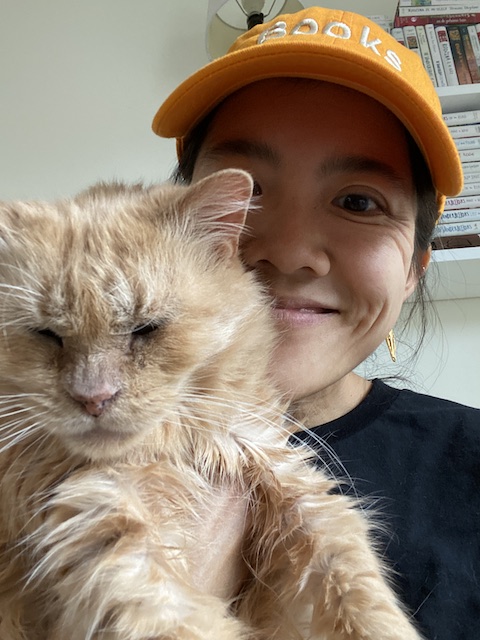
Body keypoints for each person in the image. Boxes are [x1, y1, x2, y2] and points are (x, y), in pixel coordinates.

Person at [151, 6, 480, 639]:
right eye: (242, 190)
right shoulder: (34, 435)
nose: (290, 249)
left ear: (414, 267)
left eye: (359, 202)